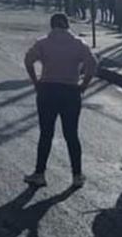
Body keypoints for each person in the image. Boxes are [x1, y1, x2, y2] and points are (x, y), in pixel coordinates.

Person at [23, 13, 97, 188]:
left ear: (52, 25)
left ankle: (39, 173)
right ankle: (77, 175)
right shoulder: (79, 44)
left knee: (46, 134)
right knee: (71, 135)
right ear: (67, 25)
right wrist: (83, 85)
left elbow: (28, 60)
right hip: (70, 92)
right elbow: (92, 64)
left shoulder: (43, 43)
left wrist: (35, 82)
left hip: (47, 90)